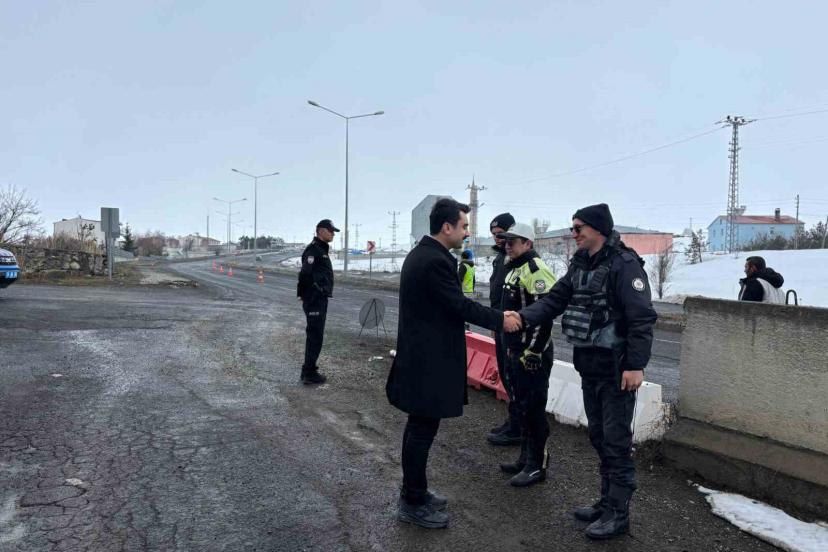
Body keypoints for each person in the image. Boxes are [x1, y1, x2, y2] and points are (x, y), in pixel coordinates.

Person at [505, 203, 657, 540]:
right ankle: (606, 502)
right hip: (590, 367)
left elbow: (642, 318)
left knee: (616, 442)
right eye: (572, 228)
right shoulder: (580, 264)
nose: (573, 234)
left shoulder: (624, 265)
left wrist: (635, 364)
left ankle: (618, 514)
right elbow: (554, 300)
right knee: (599, 437)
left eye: (578, 228)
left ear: (598, 228)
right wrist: (522, 317)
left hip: (617, 370)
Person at [386, 197, 520, 529]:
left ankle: (415, 491)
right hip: (427, 361)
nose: (467, 233)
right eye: (464, 226)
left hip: (422, 358)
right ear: (446, 227)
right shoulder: (433, 260)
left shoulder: (426, 254)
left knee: (419, 428)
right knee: (421, 431)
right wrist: (500, 319)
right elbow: (458, 305)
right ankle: (412, 501)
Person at [496, 222, 557, 487]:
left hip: (532, 354)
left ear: (528, 243)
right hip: (515, 349)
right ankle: (525, 458)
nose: (508, 246)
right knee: (521, 407)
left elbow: (546, 315)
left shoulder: (536, 269)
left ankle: (537, 465)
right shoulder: (515, 268)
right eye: (506, 241)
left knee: (533, 410)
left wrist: (534, 351)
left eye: (513, 241)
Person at [486, 213, 523, 446]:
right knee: (506, 374)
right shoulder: (501, 258)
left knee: (515, 377)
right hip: (499, 323)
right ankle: (513, 421)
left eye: (500, 234)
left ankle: (518, 427)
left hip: (513, 327)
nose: (497, 239)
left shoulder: (517, 260)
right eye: (494, 235)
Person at [296, 219, 338, 385]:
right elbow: (305, 274)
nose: (333, 234)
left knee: (316, 335)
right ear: (320, 231)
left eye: (333, 231)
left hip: (319, 297)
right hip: (314, 298)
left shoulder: (321, 249)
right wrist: (302, 294)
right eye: (330, 230)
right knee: (315, 335)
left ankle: (308, 370)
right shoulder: (313, 250)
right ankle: (309, 372)